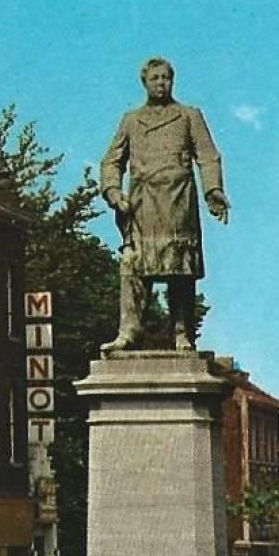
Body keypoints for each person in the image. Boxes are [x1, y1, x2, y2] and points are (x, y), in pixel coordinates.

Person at [100, 57, 230, 353]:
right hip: (142, 205)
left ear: (173, 81)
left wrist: (213, 190)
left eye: (165, 78)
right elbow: (112, 160)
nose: (160, 83)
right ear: (144, 83)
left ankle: (182, 333)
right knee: (133, 265)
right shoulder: (131, 120)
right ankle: (128, 331)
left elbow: (208, 156)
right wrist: (112, 190)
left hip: (178, 203)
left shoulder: (188, 116)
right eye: (154, 78)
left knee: (179, 268)